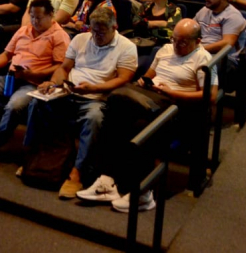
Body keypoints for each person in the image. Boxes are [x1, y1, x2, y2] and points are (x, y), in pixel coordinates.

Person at [76, 19, 212, 212]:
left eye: (182, 42)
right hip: (151, 98)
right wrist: (143, 82)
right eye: (174, 40)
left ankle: (143, 193)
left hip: (176, 107)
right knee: (113, 117)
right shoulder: (165, 50)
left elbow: (210, 96)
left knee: (136, 124)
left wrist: (173, 93)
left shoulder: (203, 59)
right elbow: (149, 75)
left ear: (197, 41)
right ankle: (107, 180)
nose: (176, 45)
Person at [24, 7, 137, 198]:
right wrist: (53, 83)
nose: (96, 36)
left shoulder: (126, 47)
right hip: (69, 91)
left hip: (97, 97)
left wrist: (94, 88)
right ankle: (32, 159)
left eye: (101, 32)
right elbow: (65, 68)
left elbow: (123, 79)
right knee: (38, 104)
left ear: (114, 27)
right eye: (93, 31)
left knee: (93, 118)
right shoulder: (80, 39)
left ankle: (77, 173)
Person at [0, 0, 70, 165]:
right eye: (32, 17)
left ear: (50, 15)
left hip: (33, 83)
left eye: (39, 17)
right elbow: (7, 54)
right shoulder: (24, 30)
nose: (35, 21)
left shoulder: (59, 36)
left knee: (14, 107)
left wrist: (34, 73)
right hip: (11, 77)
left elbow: (60, 67)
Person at [194, 0, 246, 75]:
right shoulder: (205, 10)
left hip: (225, 59)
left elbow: (226, 44)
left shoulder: (233, 16)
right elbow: (191, 28)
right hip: (202, 52)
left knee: (199, 69)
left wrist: (198, 49)